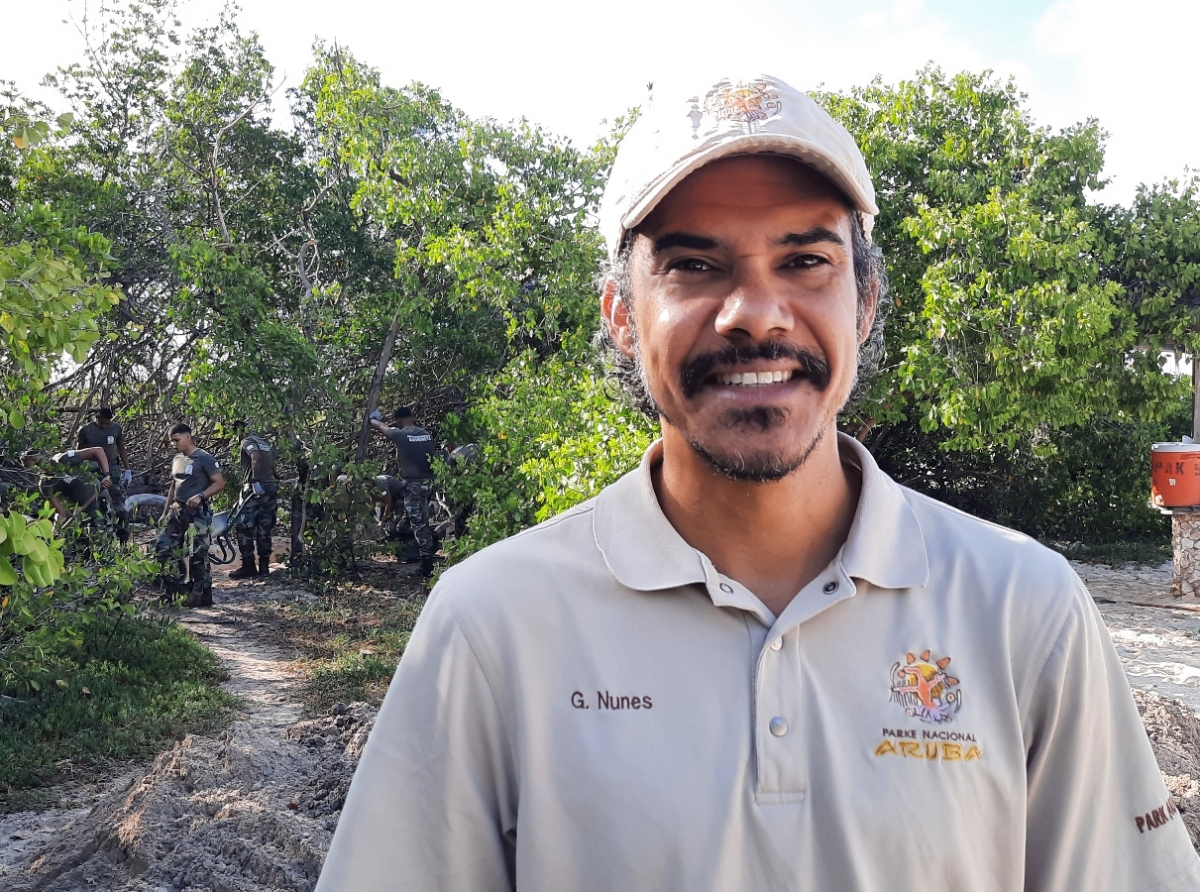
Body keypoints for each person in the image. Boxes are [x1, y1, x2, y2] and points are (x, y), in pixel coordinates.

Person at [318, 75, 1200, 891]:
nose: (755, 313)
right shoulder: (493, 624)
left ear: (864, 302)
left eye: (805, 260)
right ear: (623, 317)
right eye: (694, 265)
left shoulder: (1022, 607)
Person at [156, 423, 224, 608]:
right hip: (177, 510)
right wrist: (166, 511)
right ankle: (174, 591)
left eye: (176, 440)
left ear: (188, 437)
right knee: (164, 547)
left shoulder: (204, 458)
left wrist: (201, 495)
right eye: (171, 441)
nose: (173, 444)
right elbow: (173, 485)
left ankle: (201, 594)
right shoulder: (177, 459)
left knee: (198, 554)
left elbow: (219, 483)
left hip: (197, 512)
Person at [368, 406, 437, 577]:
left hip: (413, 484)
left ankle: (426, 565)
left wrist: (371, 419)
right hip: (428, 483)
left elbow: (381, 427)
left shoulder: (400, 434)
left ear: (398, 421)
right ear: (412, 417)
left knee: (419, 524)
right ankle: (400, 537)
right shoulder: (425, 434)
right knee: (413, 515)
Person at [229, 429, 278, 580]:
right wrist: (275, 479)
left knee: (244, 527)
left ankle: (249, 566)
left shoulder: (247, 441)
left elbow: (255, 457)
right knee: (265, 527)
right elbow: (272, 465)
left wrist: (255, 481)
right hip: (269, 487)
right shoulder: (265, 444)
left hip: (253, 490)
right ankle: (264, 568)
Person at [21, 447, 113, 525]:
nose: (36, 467)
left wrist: (106, 475)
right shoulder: (46, 484)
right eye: (30, 467)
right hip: (87, 512)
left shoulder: (63, 459)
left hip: (103, 499)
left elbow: (98, 451)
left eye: (36, 462)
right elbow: (62, 514)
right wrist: (57, 532)